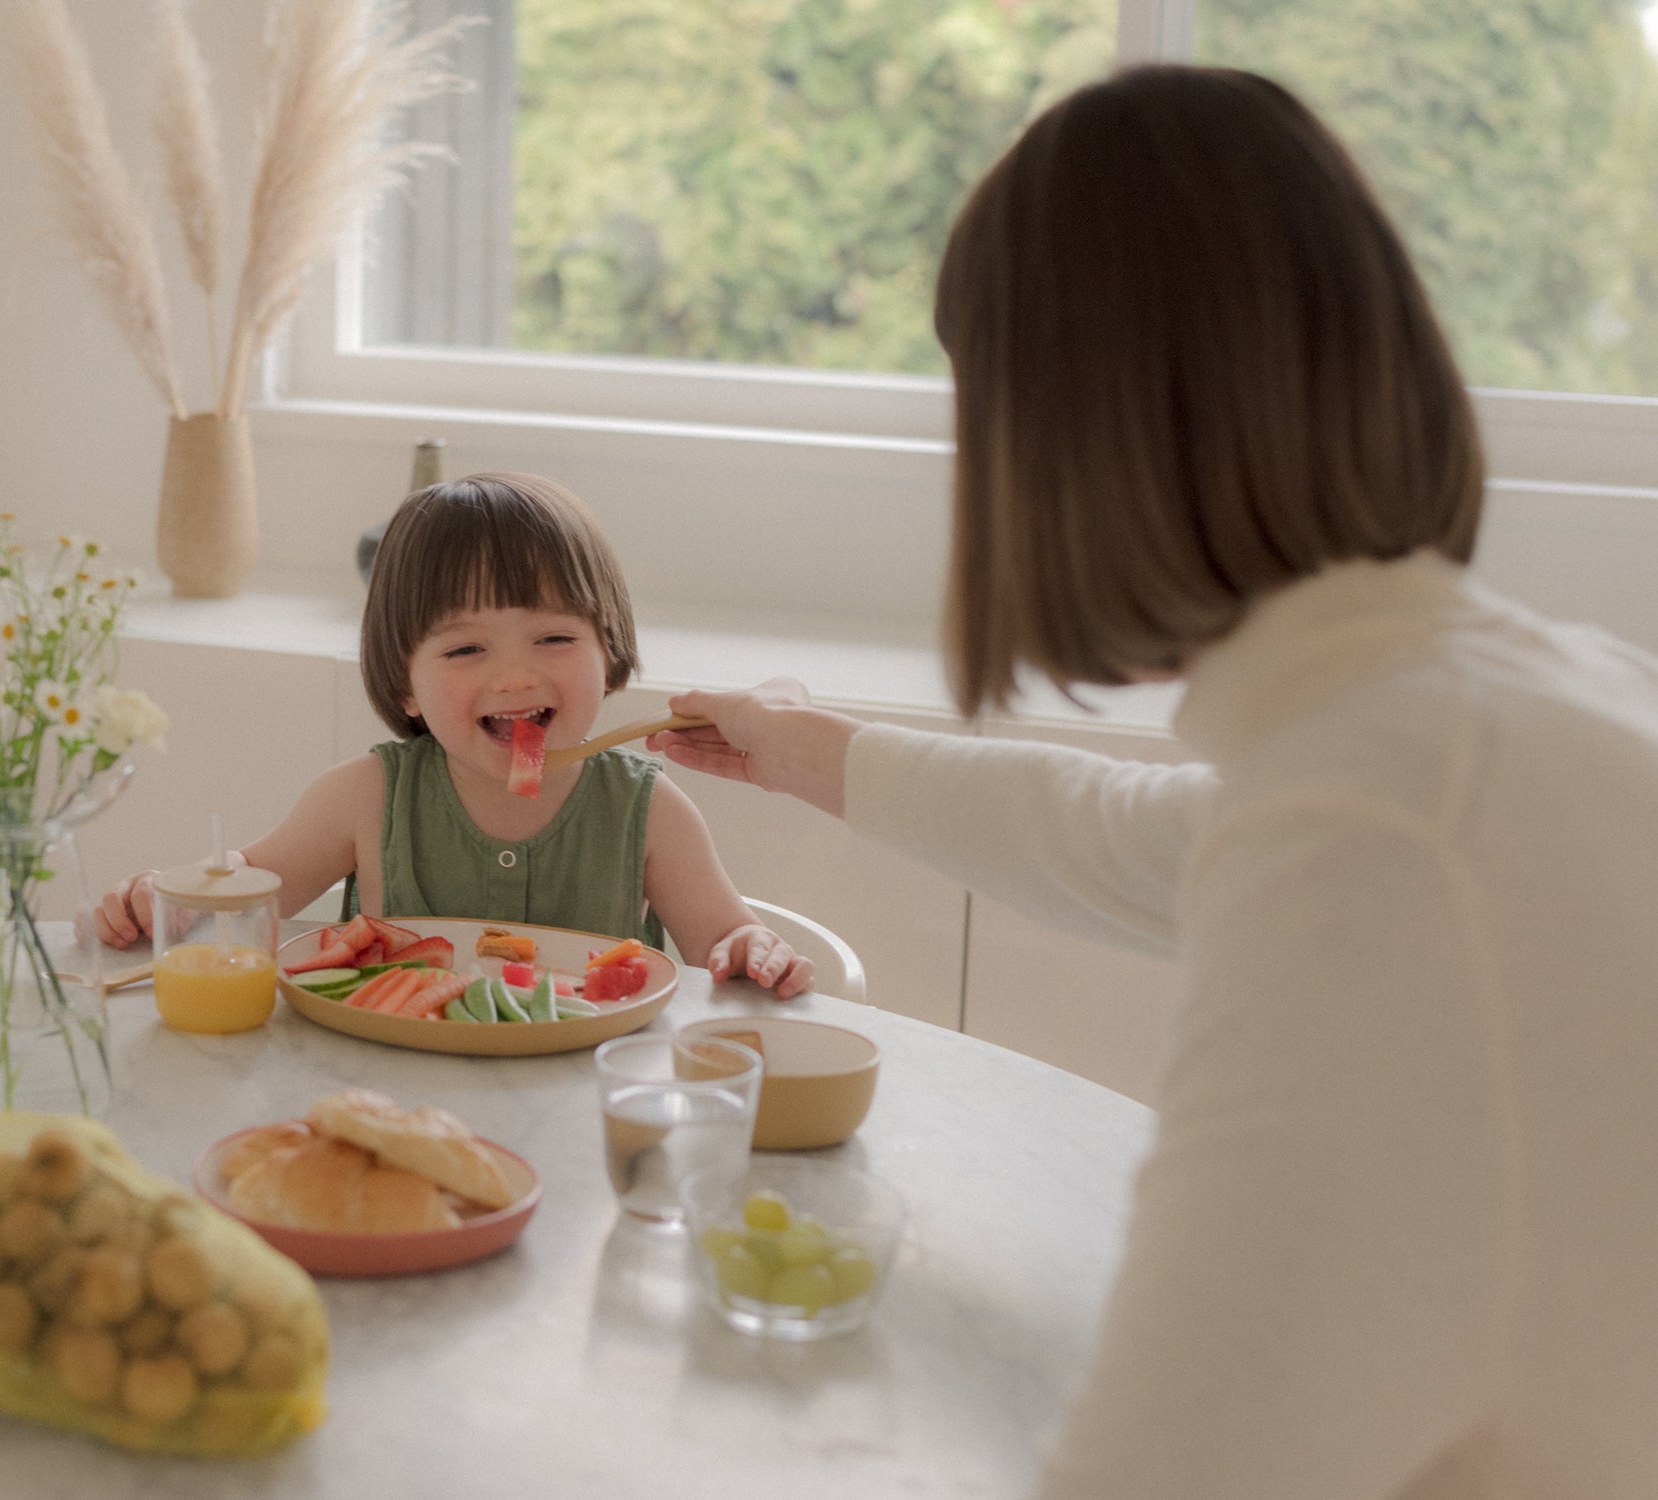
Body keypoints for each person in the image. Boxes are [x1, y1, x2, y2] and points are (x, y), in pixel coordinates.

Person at [653, 66, 1658, 1499]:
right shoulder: (1517, 706)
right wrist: (804, 754)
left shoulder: (1372, 826)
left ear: (1064, 443)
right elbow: (1132, 837)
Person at [98, 472, 813, 997]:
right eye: (466, 650)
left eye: (554, 637)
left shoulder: (649, 811)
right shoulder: (363, 797)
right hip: (389, 1098)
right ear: (404, 682)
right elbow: (247, 893)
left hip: (581, 1107)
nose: (513, 677)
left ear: (611, 652)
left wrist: (749, 946)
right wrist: (168, 896)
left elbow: (722, 941)